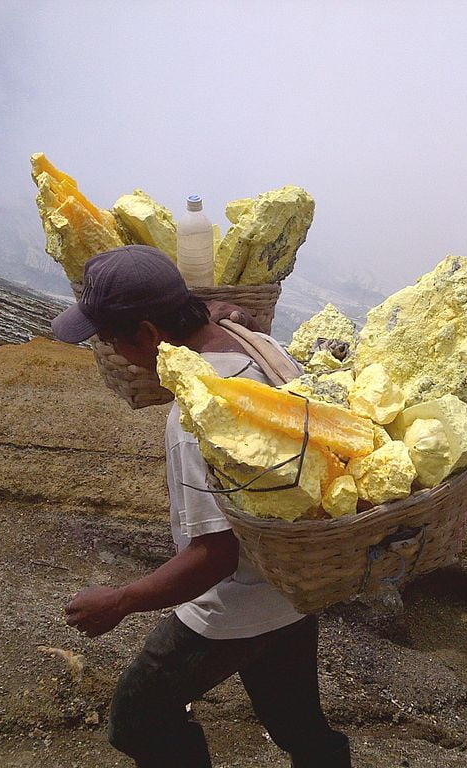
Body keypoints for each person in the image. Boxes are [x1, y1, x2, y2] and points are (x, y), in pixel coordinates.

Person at [50, 245, 351, 768]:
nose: (112, 350)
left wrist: (119, 601)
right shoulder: (258, 345)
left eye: (110, 339)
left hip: (230, 609)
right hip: (292, 588)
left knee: (137, 721)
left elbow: (215, 556)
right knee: (299, 726)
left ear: (147, 334)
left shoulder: (198, 418)